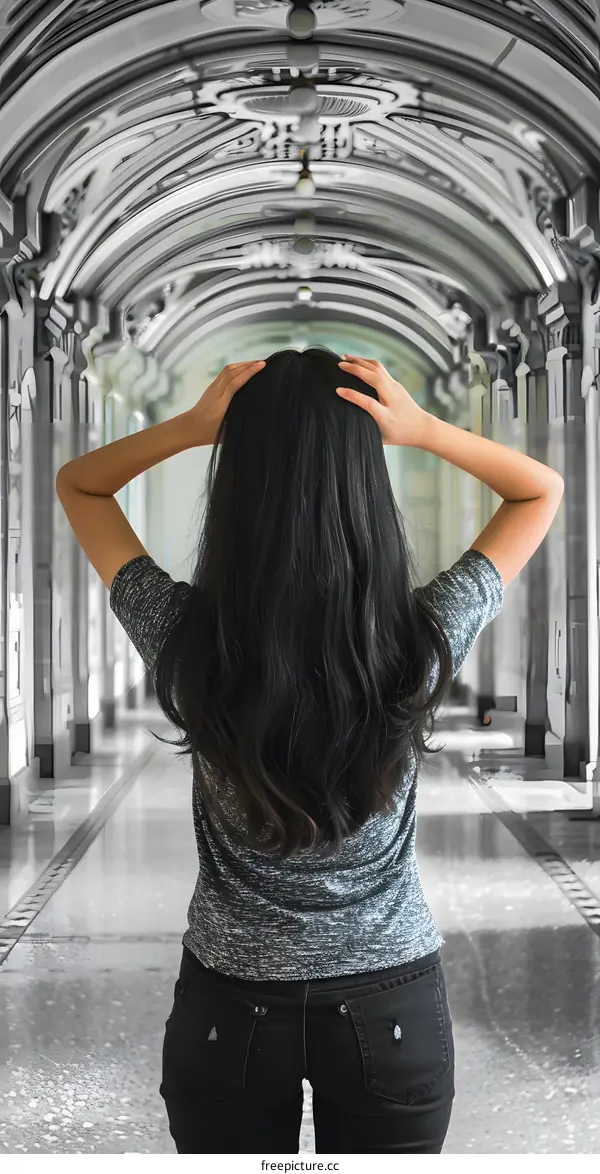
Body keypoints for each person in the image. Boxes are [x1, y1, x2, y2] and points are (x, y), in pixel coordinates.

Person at [56, 346, 564, 1154]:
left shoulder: (187, 639)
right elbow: (539, 489)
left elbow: (79, 483)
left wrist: (193, 428)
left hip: (229, 1002)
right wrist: (424, 429)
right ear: (368, 485)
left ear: (235, 487)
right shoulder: (419, 639)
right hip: (389, 997)